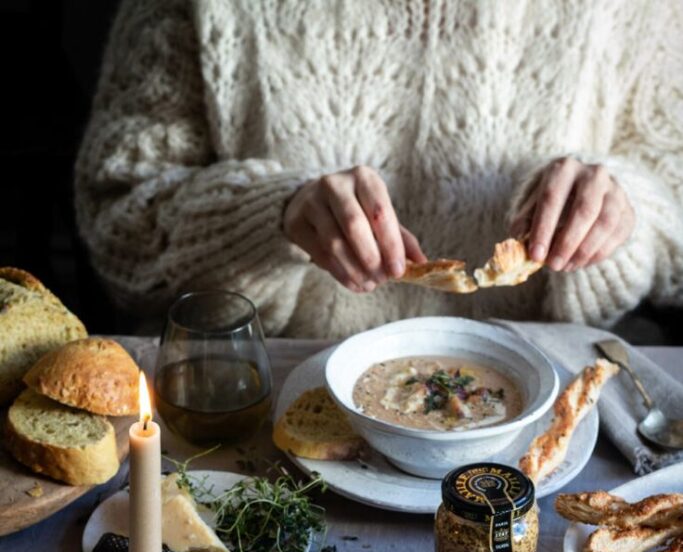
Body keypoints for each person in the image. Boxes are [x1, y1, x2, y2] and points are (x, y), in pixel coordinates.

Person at [75, 0, 683, 340]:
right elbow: (120, 230)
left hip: (553, 412)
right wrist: (271, 219)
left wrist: (627, 214)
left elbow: (675, 232)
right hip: (260, 399)